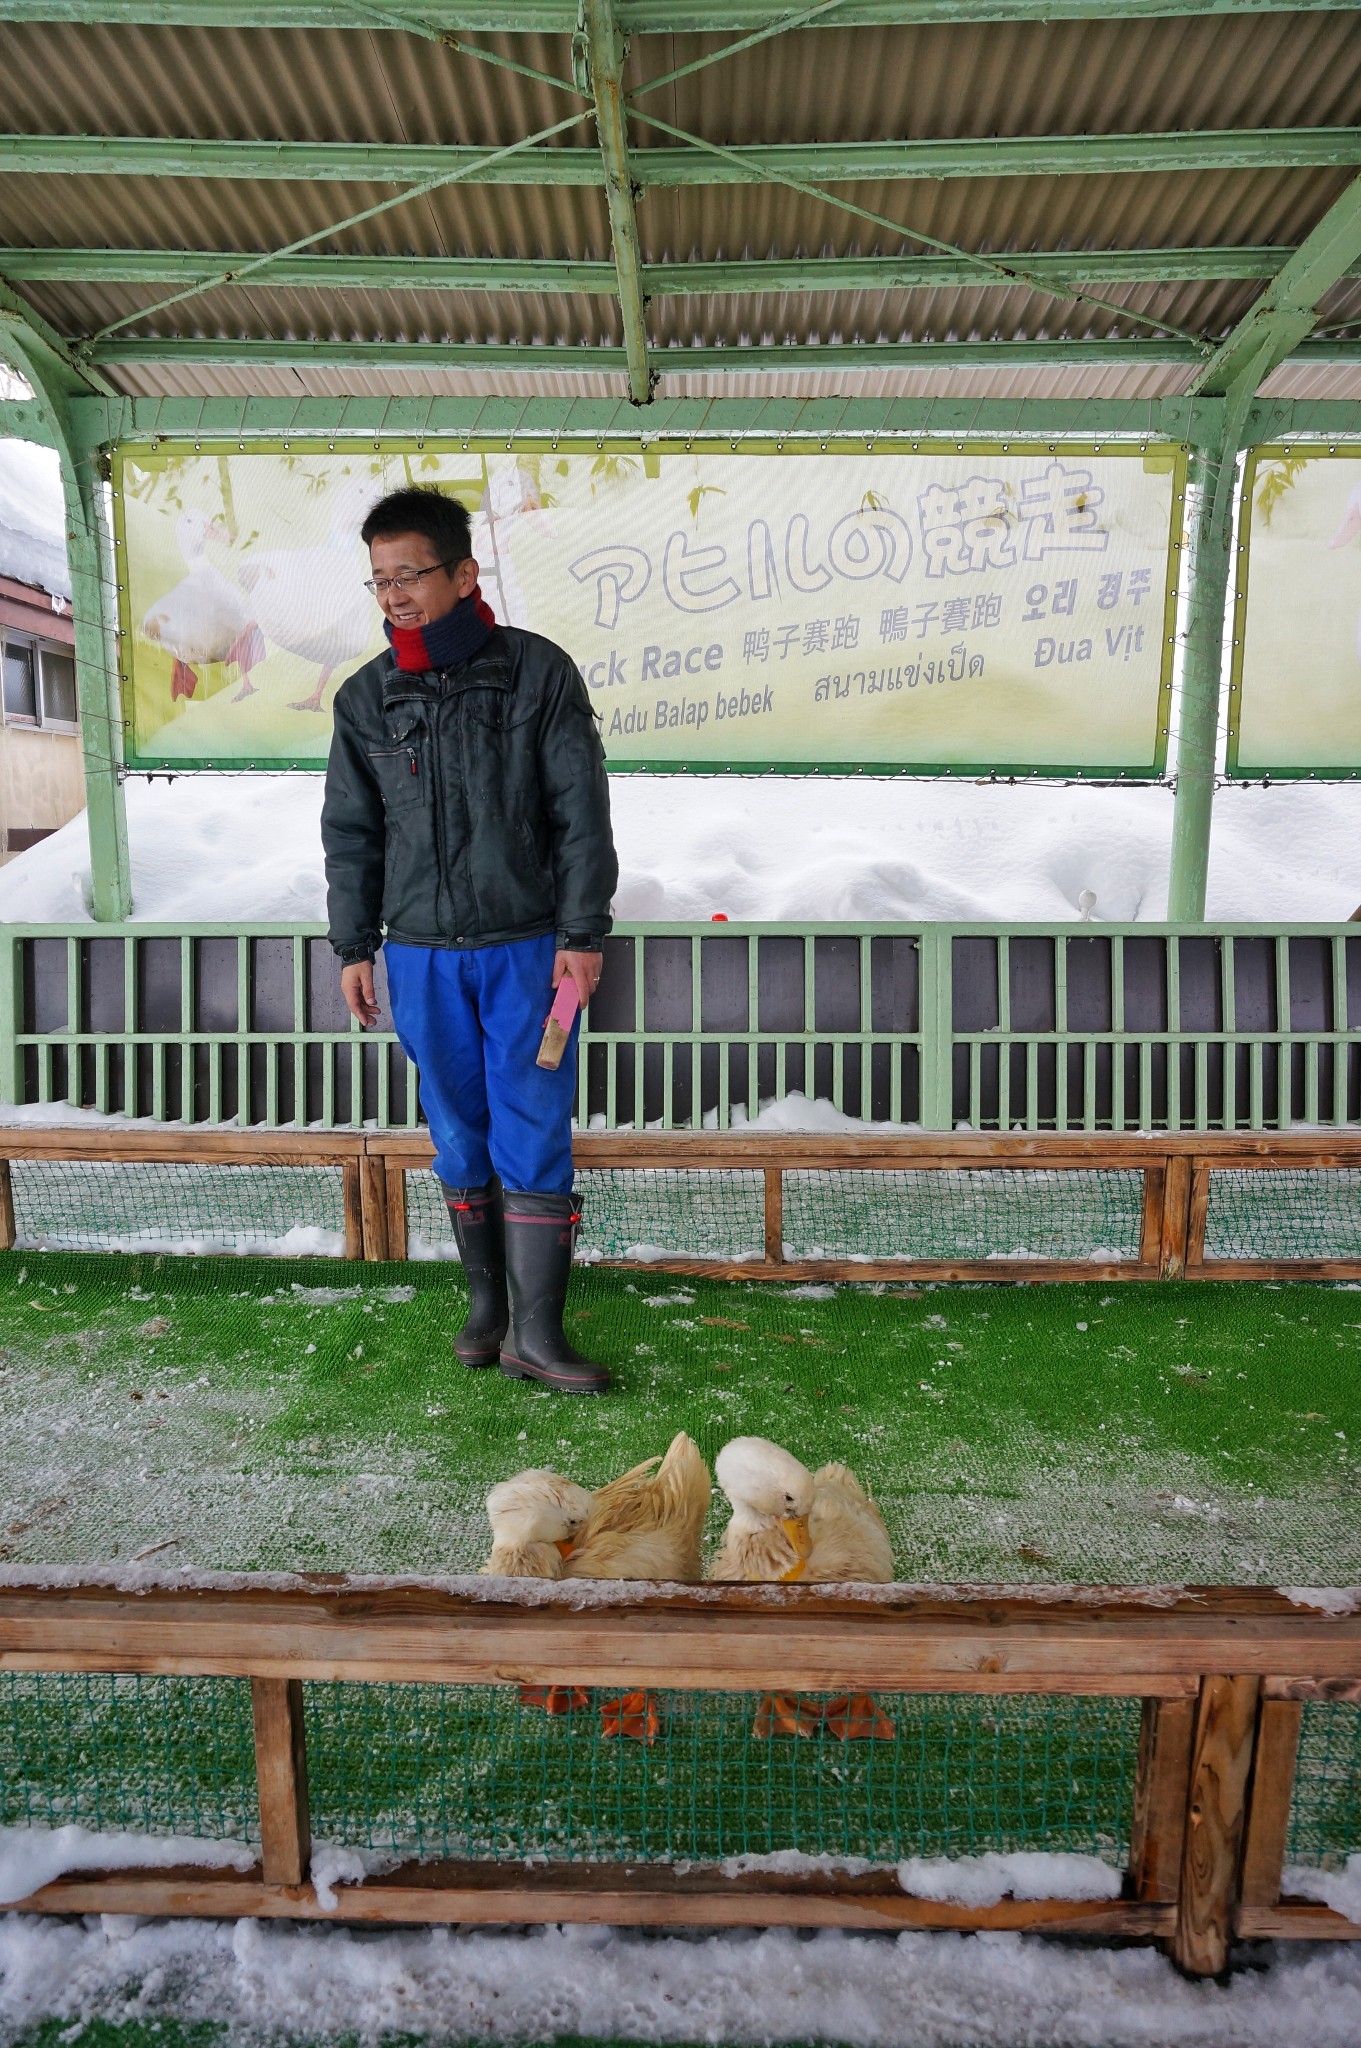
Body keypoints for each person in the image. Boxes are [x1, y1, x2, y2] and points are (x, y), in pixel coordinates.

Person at [321, 486, 618, 1394]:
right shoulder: (366, 697)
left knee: (533, 1123)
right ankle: (486, 1313)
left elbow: (579, 814)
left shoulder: (537, 672)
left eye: (408, 574)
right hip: (416, 955)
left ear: (462, 573)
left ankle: (538, 1331)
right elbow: (352, 831)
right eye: (379, 581)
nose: (394, 596)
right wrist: (353, 947)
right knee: (455, 1128)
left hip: (529, 949)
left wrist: (583, 933)